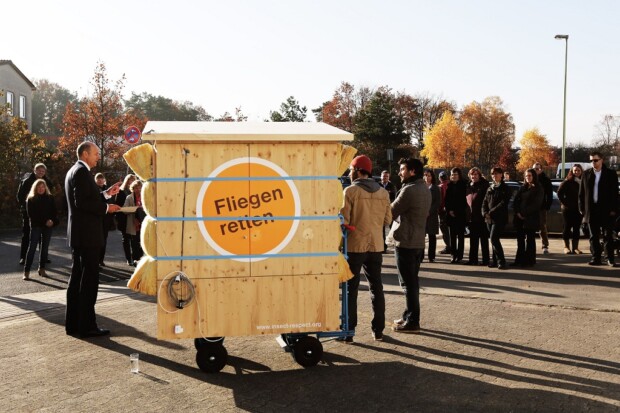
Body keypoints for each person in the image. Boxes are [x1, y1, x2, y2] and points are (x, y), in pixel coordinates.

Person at [65, 141, 121, 338]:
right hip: (87, 236)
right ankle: (87, 326)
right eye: (96, 153)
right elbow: (83, 202)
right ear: (85, 153)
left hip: (79, 235)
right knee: (88, 282)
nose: (98, 156)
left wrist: (106, 194)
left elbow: (87, 197)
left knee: (77, 280)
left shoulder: (74, 170)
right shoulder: (81, 172)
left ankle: (73, 324)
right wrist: (107, 208)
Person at [340, 155, 392, 342]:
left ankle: (348, 330)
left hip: (355, 245)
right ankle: (378, 330)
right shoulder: (383, 193)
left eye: (351, 170)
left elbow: (343, 221)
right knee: (376, 287)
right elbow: (387, 220)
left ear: (359, 170)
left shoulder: (350, 191)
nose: (349, 173)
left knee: (350, 289)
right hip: (376, 245)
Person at [388, 157, 431, 333]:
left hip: (406, 242)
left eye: (403, 169)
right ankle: (408, 315)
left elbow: (391, 211)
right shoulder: (424, 188)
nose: (399, 172)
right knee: (412, 282)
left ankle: (413, 321)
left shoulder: (409, 190)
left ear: (413, 171)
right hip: (418, 241)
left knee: (408, 284)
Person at [579, 152, 618, 266]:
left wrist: (614, 209)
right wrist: (582, 209)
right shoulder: (586, 174)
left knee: (608, 235)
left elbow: (615, 193)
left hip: (606, 210)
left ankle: (609, 258)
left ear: (602, 160)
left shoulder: (610, 174)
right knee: (593, 236)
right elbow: (581, 193)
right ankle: (596, 258)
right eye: (591, 160)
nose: (593, 163)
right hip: (592, 210)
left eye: (595, 160)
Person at [16, 163, 53, 265]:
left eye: (43, 171)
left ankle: (44, 257)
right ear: (34, 170)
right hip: (29, 213)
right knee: (27, 235)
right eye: (39, 170)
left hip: (44, 214)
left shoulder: (48, 182)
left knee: (44, 237)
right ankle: (23, 257)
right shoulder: (26, 182)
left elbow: (50, 197)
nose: (41, 172)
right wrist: (27, 207)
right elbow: (20, 197)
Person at [23, 179, 59, 280]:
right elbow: (32, 215)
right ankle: (26, 271)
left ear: (45, 187)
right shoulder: (31, 199)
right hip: (36, 226)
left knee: (45, 248)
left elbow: (54, 211)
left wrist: (52, 221)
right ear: (35, 188)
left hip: (48, 226)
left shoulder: (50, 198)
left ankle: (42, 269)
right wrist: (45, 221)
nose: (41, 189)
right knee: (32, 248)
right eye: (39, 187)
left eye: (43, 187)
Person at [512, 168, 543, 267]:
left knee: (530, 240)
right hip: (519, 217)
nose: (527, 178)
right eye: (526, 176)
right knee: (520, 240)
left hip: (531, 218)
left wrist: (524, 213)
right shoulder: (522, 187)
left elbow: (536, 204)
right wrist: (518, 212)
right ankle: (519, 260)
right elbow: (516, 201)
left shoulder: (539, 188)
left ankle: (529, 260)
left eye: (529, 176)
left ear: (534, 176)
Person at [482, 167, 512, 269]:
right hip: (489, 218)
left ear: (501, 175)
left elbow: (503, 203)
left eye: (496, 174)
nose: (494, 176)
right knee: (493, 239)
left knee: (494, 238)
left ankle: (501, 261)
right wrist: (485, 212)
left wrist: (491, 212)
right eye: (493, 174)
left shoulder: (505, 188)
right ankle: (494, 261)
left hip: (499, 218)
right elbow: (485, 202)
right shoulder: (490, 188)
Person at [465, 167, 490, 265]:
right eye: (472, 174)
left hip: (482, 216)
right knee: (473, 240)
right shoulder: (469, 186)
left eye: (475, 174)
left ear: (479, 175)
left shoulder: (484, 185)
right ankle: (473, 260)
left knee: (484, 240)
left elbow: (486, 201)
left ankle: (485, 260)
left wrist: (485, 213)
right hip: (472, 217)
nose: (473, 176)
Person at [557, 165, 583, 254]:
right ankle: (566, 247)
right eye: (575, 170)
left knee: (576, 228)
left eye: (578, 170)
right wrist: (565, 203)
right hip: (567, 209)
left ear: (581, 171)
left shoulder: (583, 181)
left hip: (578, 209)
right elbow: (559, 193)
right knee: (567, 227)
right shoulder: (567, 181)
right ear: (572, 171)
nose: (577, 172)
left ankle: (575, 248)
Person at [445, 168, 467, 264]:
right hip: (451, 215)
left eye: (455, 174)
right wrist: (449, 210)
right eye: (452, 174)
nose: (453, 176)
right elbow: (446, 200)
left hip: (460, 214)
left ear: (459, 175)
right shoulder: (449, 186)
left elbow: (464, 201)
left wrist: (456, 211)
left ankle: (460, 255)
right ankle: (453, 255)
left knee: (461, 236)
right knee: (452, 236)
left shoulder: (463, 185)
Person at [114, 174, 136, 265]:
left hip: (133, 218)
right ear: (127, 181)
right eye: (130, 180)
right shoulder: (121, 191)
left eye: (133, 180)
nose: (131, 182)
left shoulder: (136, 192)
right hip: (123, 218)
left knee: (134, 239)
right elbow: (117, 205)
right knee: (126, 239)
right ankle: (128, 258)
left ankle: (134, 258)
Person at [95, 173, 116, 266]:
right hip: (97, 218)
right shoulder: (94, 189)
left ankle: (100, 259)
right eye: (98, 179)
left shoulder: (108, 189)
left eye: (101, 179)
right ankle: (95, 260)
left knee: (104, 239)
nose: (100, 181)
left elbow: (112, 202)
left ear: (104, 180)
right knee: (96, 240)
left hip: (106, 219)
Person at [532, 162, 553, 254]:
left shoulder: (546, 180)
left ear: (541, 169)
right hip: (531, 207)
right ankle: (530, 246)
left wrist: (547, 205)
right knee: (530, 226)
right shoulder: (530, 178)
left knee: (542, 226)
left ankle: (545, 245)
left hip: (542, 207)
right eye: (534, 169)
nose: (535, 170)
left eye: (537, 169)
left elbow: (550, 194)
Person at [123, 180, 145, 266]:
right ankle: (136, 259)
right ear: (133, 188)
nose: (138, 189)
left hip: (144, 223)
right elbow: (124, 210)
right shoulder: (129, 197)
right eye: (136, 187)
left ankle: (141, 259)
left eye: (140, 187)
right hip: (133, 223)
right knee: (134, 243)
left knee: (143, 242)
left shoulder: (145, 197)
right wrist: (135, 208)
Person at [423, 169, 440, 263]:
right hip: (421, 215)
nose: (427, 177)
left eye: (429, 175)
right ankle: (420, 256)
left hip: (432, 215)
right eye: (425, 175)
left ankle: (431, 256)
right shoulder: (420, 187)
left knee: (432, 236)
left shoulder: (436, 188)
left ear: (432, 177)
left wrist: (429, 211)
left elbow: (437, 202)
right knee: (421, 236)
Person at [379, 170, 397, 252]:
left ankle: (396, 244)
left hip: (389, 209)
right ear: (381, 177)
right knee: (381, 229)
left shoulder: (392, 186)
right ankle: (383, 246)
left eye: (386, 176)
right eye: (383, 176)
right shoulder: (377, 185)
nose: (385, 178)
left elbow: (394, 198)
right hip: (379, 209)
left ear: (388, 177)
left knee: (391, 227)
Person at [437, 171, 451, 254]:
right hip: (450, 210)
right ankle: (451, 246)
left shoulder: (440, 187)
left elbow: (440, 200)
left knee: (444, 230)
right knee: (450, 230)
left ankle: (448, 246)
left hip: (442, 211)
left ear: (439, 178)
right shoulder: (450, 185)